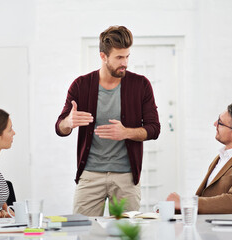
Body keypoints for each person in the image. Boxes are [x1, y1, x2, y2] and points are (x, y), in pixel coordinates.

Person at [55, 25, 160, 216]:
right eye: (119, 58)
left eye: (127, 56)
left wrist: (126, 132)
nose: (125, 63)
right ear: (103, 56)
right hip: (90, 175)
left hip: (126, 177)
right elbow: (60, 126)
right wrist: (68, 122)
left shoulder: (141, 85)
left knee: (126, 234)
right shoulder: (81, 85)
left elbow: (154, 129)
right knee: (84, 232)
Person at [167, 103, 232, 214]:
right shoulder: (222, 157)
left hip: (223, 228)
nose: (215, 124)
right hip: (206, 223)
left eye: (220, 123)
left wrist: (185, 203)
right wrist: (174, 209)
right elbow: (207, 197)